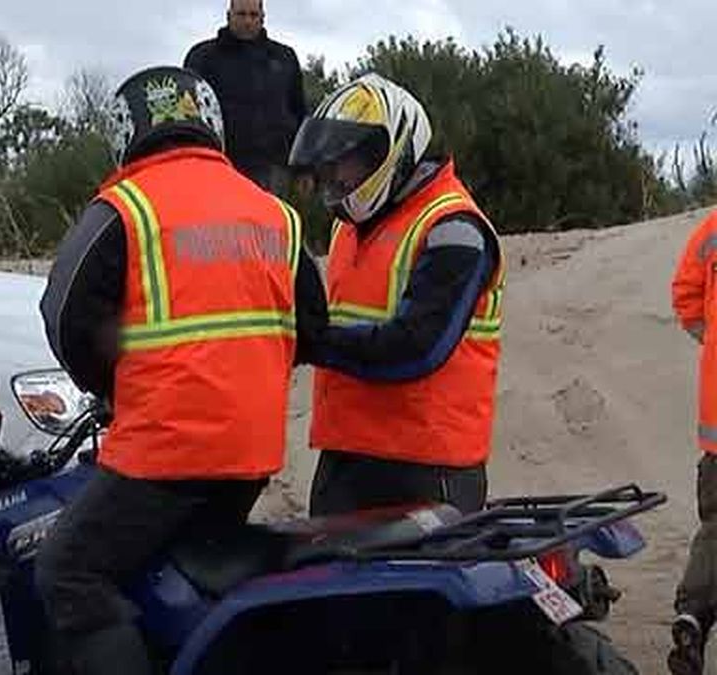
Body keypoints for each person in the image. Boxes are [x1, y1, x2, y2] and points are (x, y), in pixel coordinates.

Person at [34, 65, 327, 675]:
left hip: (163, 453)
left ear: (125, 133)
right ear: (211, 124)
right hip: (249, 452)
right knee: (179, 565)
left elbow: (64, 316)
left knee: (70, 571)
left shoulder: (125, 207)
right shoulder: (275, 213)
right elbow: (311, 330)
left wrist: (113, 387)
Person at [287, 72, 506, 516]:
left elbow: (416, 348)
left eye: (346, 163)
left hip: (427, 469)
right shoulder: (348, 229)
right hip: (346, 459)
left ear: (390, 151)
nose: (337, 179)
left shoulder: (455, 229)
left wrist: (310, 341)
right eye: (328, 167)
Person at [184, 0, 307, 196]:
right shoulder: (202, 57)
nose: (248, 21)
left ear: (262, 18)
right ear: (228, 16)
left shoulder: (284, 58)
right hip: (221, 167)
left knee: (272, 225)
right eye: (241, 14)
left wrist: (304, 169)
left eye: (253, 15)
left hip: (273, 169)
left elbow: (300, 113)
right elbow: (188, 116)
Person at [668, 208, 717, 675]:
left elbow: (684, 294)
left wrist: (712, 341)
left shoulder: (714, 228)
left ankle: (694, 615)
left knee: (716, 526)